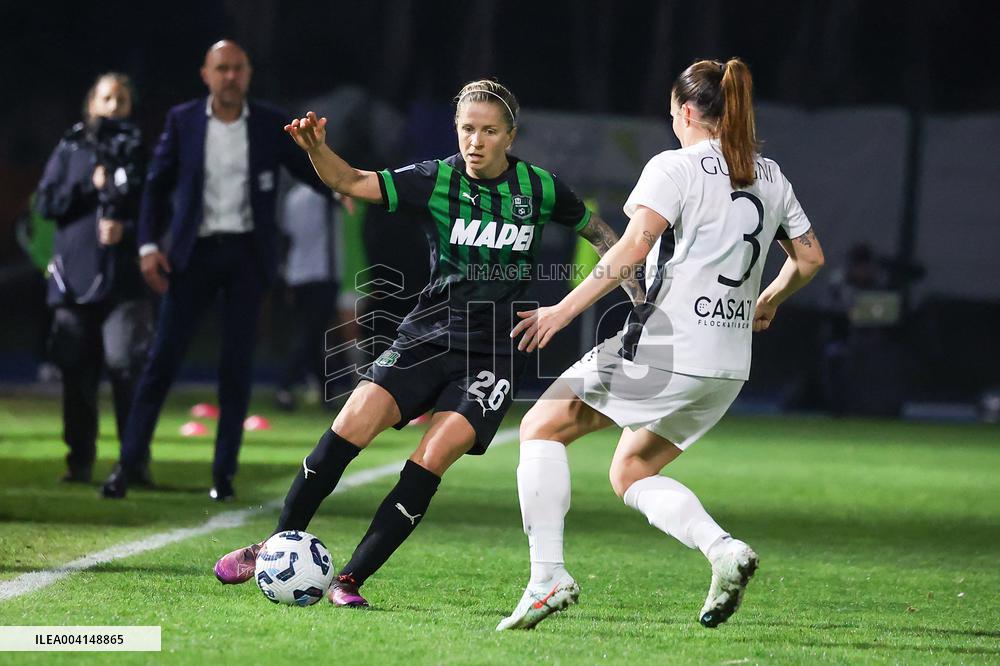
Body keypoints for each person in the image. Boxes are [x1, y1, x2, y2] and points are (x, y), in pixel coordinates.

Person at [213, 80, 643, 607]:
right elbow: (350, 180)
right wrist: (318, 149)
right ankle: (273, 546)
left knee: (429, 460)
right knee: (345, 432)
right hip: (425, 336)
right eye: (467, 129)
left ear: (510, 134)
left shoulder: (541, 188)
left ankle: (349, 581)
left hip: (491, 356)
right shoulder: (434, 179)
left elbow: (605, 237)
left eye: (489, 130)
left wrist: (637, 297)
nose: (476, 141)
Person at [497, 58, 825, 631]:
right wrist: (766, 301)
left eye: (674, 113)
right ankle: (722, 550)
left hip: (668, 348)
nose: (673, 123)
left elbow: (627, 250)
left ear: (689, 112)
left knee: (540, 425)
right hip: (727, 366)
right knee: (631, 472)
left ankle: (547, 576)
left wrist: (561, 309)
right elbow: (811, 259)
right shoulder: (770, 175)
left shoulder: (674, 166)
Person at [101, 41, 332, 500]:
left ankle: (223, 475)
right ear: (206, 74)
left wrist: (342, 185)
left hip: (247, 257)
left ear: (248, 74)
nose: (230, 76)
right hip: (193, 256)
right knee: (161, 360)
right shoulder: (183, 121)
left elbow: (304, 167)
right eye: (221, 68)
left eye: (238, 68)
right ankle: (127, 465)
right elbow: (155, 186)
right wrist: (148, 245)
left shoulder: (268, 123)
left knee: (236, 367)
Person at [36, 73, 152, 484]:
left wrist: (128, 227)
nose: (114, 106)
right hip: (74, 283)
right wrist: (90, 183)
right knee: (77, 372)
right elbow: (46, 203)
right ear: (91, 104)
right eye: (106, 98)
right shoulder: (71, 148)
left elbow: (161, 209)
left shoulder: (141, 151)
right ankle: (79, 460)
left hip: (124, 283)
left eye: (121, 99)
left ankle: (133, 463)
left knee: (127, 367)